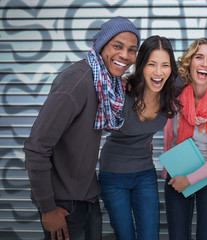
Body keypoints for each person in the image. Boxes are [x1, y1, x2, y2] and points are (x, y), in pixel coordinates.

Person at [22, 16, 140, 240]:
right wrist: (48, 208)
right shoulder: (76, 83)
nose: (125, 55)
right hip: (63, 206)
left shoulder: (105, 82)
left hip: (86, 198)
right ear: (101, 44)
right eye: (117, 46)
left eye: (132, 50)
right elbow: (36, 149)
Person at [98, 35, 181, 240]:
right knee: (125, 235)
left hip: (144, 173)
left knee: (150, 236)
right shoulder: (121, 91)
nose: (158, 72)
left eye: (165, 65)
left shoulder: (170, 89)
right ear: (141, 65)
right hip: (113, 174)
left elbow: (203, 76)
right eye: (151, 64)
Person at [162, 37, 207, 240]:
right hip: (178, 172)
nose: (204, 63)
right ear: (190, 62)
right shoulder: (174, 98)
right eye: (199, 57)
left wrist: (190, 179)